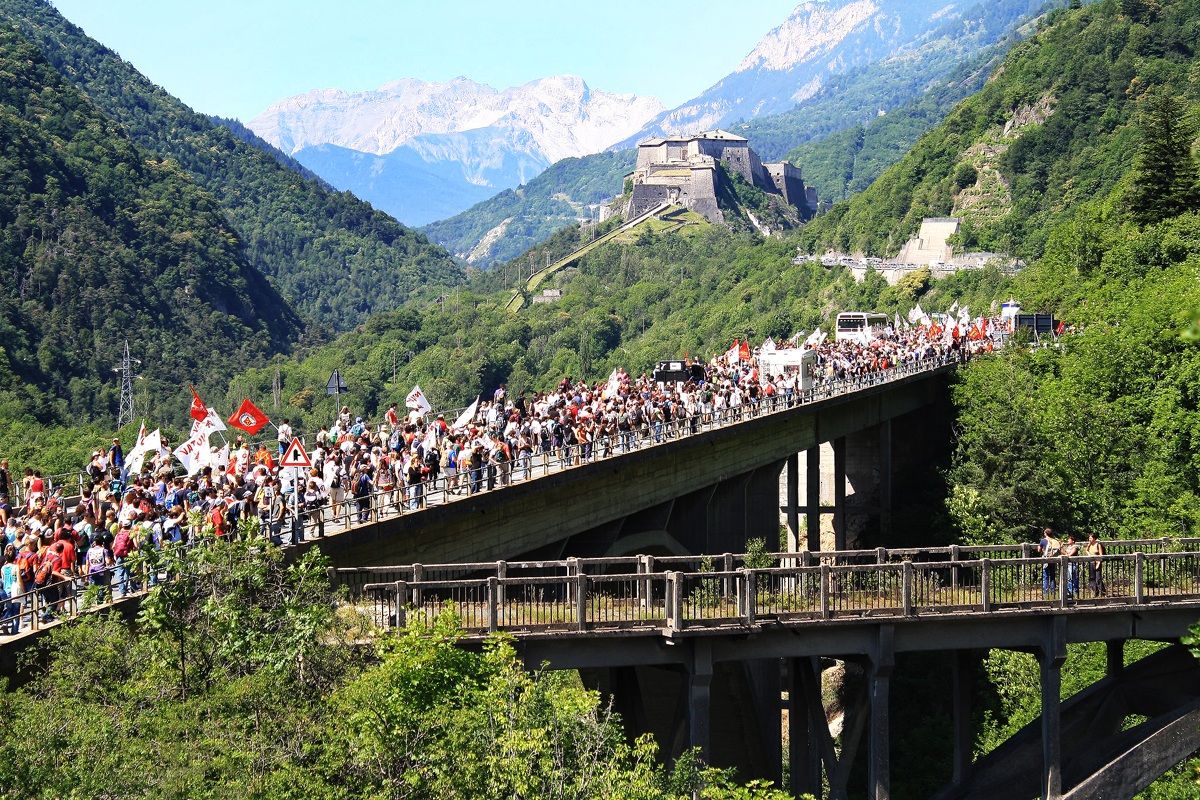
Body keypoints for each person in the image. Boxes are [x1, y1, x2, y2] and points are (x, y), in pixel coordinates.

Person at [1039, 527, 1060, 596]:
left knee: (1045, 577)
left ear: (1045, 534)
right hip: (1053, 559)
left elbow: (1039, 550)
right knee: (1052, 576)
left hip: (1046, 559)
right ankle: (1053, 592)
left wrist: (1041, 549)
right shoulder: (1054, 540)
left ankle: (1045, 593)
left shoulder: (1043, 540)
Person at [1061, 534, 1080, 599]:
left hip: (1073, 564)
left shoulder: (1075, 547)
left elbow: (1070, 555)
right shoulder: (1068, 547)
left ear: (1073, 541)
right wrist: (1061, 547)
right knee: (1069, 579)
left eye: (1069, 539)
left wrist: (1066, 554)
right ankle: (1070, 593)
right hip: (1068, 564)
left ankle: (1074, 593)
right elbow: (1065, 553)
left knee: (1073, 579)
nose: (1068, 540)